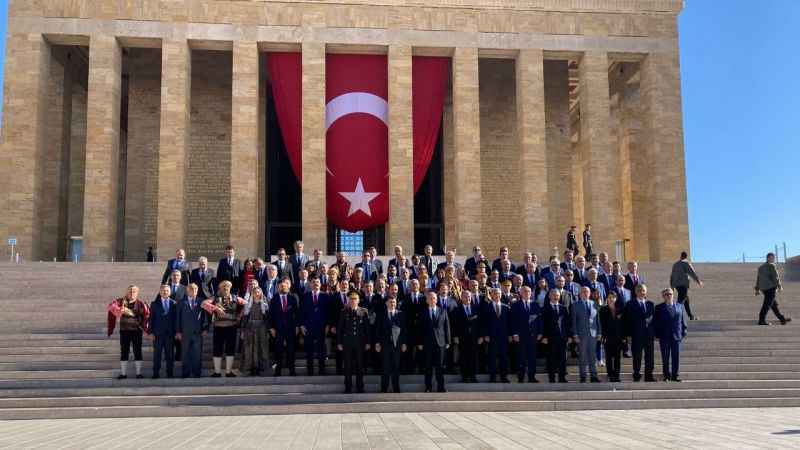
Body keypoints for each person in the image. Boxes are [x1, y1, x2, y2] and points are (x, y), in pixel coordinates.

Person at [203, 280, 244, 377]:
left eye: (227, 286)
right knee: (217, 349)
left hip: (231, 327)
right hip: (219, 328)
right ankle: (217, 372)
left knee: (230, 349)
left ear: (230, 288)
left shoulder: (235, 298)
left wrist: (239, 316)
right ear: (220, 288)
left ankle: (228, 372)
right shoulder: (215, 298)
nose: (225, 288)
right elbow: (203, 303)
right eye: (223, 286)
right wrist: (215, 308)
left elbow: (247, 304)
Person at [107, 285, 149, 380]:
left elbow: (146, 317)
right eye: (130, 291)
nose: (132, 293)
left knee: (137, 351)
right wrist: (120, 310)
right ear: (127, 292)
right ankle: (123, 374)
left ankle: (138, 373)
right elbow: (111, 306)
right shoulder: (120, 301)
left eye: (134, 291)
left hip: (137, 331)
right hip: (124, 331)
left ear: (137, 293)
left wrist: (147, 330)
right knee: (124, 351)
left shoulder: (141, 303)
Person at [337, 292, 371, 393]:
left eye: (355, 298)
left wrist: (368, 342)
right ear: (348, 300)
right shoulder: (344, 312)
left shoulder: (364, 311)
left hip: (360, 343)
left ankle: (360, 387)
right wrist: (339, 343)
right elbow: (340, 329)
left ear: (358, 300)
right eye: (351, 299)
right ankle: (348, 387)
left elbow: (367, 329)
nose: (353, 300)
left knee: (360, 365)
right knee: (347, 366)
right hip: (347, 343)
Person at [653, 288, 687, 382]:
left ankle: (675, 375)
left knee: (676, 356)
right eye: (666, 294)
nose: (668, 296)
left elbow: (683, 321)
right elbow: (655, 322)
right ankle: (666, 376)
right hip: (664, 336)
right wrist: (657, 334)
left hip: (676, 336)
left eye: (670, 294)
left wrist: (683, 332)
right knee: (665, 357)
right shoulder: (659, 308)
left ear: (673, 295)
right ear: (663, 296)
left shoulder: (680, 306)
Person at [623, 284, 656, 382]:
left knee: (650, 356)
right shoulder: (630, 304)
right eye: (640, 290)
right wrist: (628, 335)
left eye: (643, 290)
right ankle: (636, 374)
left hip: (648, 336)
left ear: (646, 292)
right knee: (637, 356)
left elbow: (654, 321)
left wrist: (654, 333)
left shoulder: (650, 304)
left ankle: (648, 375)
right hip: (636, 335)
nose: (642, 292)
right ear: (636, 292)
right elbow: (627, 321)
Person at [176, 283, 209, 378]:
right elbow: (178, 318)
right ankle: (185, 373)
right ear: (187, 290)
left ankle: (196, 373)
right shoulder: (181, 302)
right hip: (185, 333)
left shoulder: (201, 301)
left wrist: (205, 328)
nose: (193, 290)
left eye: (195, 289)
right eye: (191, 289)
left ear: (197, 291)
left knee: (197, 354)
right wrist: (178, 331)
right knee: (185, 354)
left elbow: (205, 317)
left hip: (198, 333)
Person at [374, 297, 407, 393]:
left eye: (394, 302)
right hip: (385, 345)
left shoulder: (401, 314)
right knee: (385, 367)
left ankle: (396, 387)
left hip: (397, 345)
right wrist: (377, 343)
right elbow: (377, 330)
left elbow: (404, 330)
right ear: (386, 303)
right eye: (390, 302)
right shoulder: (381, 315)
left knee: (396, 367)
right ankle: (384, 388)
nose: (392, 304)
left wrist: (404, 343)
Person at [420, 291, 451, 393]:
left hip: (440, 343)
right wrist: (419, 342)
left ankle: (441, 387)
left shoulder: (443, 311)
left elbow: (447, 327)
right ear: (427, 300)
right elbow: (419, 329)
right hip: (427, 343)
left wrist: (448, 341)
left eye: (434, 298)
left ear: (436, 300)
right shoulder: (423, 312)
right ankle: (428, 387)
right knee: (428, 366)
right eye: (430, 298)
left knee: (440, 366)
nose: (432, 300)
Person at [512, 286, 542, 383]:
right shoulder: (516, 305)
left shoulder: (535, 305)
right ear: (520, 293)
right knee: (521, 357)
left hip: (533, 335)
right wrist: (515, 334)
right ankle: (521, 377)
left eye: (529, 291)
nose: (527, 293)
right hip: (520, 335)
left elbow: (539, 320)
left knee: (532, 357)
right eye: (525, 291)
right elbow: (513, 321)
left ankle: (531, 377)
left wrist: (540, 332)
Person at [269, 279, 300, 376]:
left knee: (291, 350)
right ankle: (278, 371)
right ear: (278, 288)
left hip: (290, 329)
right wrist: (271, 328)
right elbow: (271, 315)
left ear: (288, 287)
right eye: (281, 286)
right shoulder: (274, 299)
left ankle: (292, 370)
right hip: (278, 329)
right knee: (278, 350)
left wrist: (297, 326)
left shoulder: (292, 298)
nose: (283, 287)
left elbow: (297, 313)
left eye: (285, 286)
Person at [572, 287, 602, 383]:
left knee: (592, 356)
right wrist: (575, 334)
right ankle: (583, 376)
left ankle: (594, 376)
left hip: (593, 334)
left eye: (587, 292)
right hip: (581, 335)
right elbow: (574, 321)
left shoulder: (594, 304)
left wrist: (599, 332)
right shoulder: (575, 305)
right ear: (580, 294)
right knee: (583, 356)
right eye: (583, 292)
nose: (585, 293)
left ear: (590, 294)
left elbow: (597, 320)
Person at [482, 288, 511, 383]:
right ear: (491, 295)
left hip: (504, 337)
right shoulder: (486, 307)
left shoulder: (506, 307)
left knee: (504, 357)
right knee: (492, 357)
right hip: (491, 337)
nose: (497, 295)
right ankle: (492, 377)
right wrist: (485, 335)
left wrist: (510, 335)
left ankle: (504, 376)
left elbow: (509, 323)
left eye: (498, 294)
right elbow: (484, 323)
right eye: (495, 293)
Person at [148, 285, 177, 379]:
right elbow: (151, 319)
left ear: (170, 292)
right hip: (157, 335)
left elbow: (176, 320)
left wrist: (177, 332)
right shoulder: (154, 304)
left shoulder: (174, 303)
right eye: (163, 291)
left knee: (170, 355)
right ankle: (155, 373)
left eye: (167, 290)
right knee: (157, 355)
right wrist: (150, 332)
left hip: (170, 335)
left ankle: (170, 373)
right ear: (160, 292)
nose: (165, 292)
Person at [300, 278, 328, 376]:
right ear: (310, 284)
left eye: (317, 282)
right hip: (309, 327)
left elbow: (328, 312)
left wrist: (327, 325)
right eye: (313, 283)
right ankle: (310, 371)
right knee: (309, 350)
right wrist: (302, 325)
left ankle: (322, 370)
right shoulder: (306, 296)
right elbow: (302, 311)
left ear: (320, 284)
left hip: (321, 327)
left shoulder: (325, 296)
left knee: (321, 350)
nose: (315, 284)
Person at [755, 252, 791, 326]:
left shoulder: (761, 267)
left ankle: (782, 319)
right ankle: (761, 320)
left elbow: (758, 279)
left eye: (773, 258)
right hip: (771, 288)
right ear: (768, 258)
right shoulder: (772, 265)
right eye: (772, 257)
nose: (773, 259)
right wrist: (779, 286)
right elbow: (775, 277)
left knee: (773, 305)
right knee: (767, 305)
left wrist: (757, 289)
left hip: (764, 289)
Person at [542, 289, 570, 383]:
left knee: (563, 358)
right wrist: (544, 336)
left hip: (562, 337)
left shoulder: (563, 308)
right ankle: (552, 378)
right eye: (554, 295)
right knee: (551, 358)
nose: (556, 296)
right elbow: (543, 324)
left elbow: (567, 323)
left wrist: (569, 336)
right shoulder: (544, 308)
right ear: (549, 296)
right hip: (550, 338)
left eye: (557, 295)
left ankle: (562, 377)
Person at [241, 287, 270, 376]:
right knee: (250, 349)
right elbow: (245, 319)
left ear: (261, 293)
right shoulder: (248, 305)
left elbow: (267, 319)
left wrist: (268, 330)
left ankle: (260, 368)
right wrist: (243, 330)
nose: (257, 294)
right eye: (255, 292)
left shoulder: (265, 305)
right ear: (252, 293)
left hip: (261, 329)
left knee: (261, 348)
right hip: (250, 329)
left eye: (258, 292)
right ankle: (251, 368)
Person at [453, 291, 481, 383]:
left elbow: (481, 323)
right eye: (465, 296)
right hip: (462, 337)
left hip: (474, 337)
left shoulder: (476, 308)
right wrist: (455, 336)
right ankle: (464, 376)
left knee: (474, 357)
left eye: (469, 296)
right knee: (463, 356)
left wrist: (481, 336)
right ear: (462, 298)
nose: (468, 298)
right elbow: (454, 325)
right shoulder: (457, 310)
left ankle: (473, 376)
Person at [669, 251, 703, 321]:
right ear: (686, 257)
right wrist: (698, 281)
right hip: (683, 284)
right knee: (681, 300)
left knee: (686, 299)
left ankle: (691, 316)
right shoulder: (686, 263)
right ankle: (674, 315)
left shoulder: (675, 264)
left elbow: (672, 276)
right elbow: (692, 272)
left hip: (677, 285)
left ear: (681, 256)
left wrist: (672, 286)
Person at [599, 291, 624, 382]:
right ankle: (610, 375)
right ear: (607, 299)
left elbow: (623, 324)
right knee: (609, 358)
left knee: (617, 358)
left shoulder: (620, 309)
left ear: (615, 298)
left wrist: (623, 337)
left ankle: (616, 375)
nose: (611, 299)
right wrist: (603, 336)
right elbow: (601, 324)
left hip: (618, 337)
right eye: (609, 297)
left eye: (613, 297)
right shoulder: (603, 309)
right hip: (607, 337)